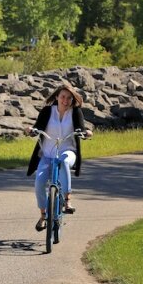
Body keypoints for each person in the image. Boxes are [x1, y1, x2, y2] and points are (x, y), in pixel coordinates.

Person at [25, 83, 93, 232]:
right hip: (47, 154)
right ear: (57, 97)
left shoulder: (75, 112)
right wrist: (31, 130)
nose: (65, 100)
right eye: (62, 97)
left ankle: (67, 200)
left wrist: (86, 133)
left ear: (72, 100)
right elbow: (38, 127)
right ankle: (43, 216)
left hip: (68, 151)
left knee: (63, 161)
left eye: (69, 98)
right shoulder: (47, 111)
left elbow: (80, 128)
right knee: (39, 183)